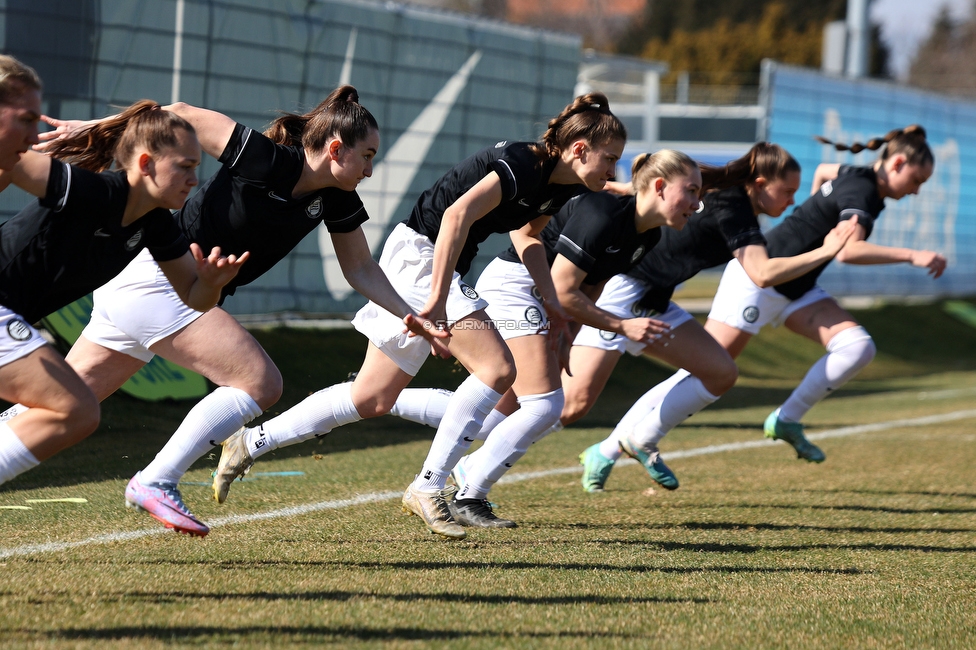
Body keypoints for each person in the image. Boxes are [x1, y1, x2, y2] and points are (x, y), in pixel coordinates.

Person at [15, 85, 447, 537]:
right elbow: (179, 113)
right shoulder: (264, 158)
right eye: (368, 156)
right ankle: (156, 481)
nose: (371, 171)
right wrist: (101, 130)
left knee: (54, 405)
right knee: (259, 382)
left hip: (153, 290)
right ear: (336, 149)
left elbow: (360, 268)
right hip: (159, 283)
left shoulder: (335, 196)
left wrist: (409, 315)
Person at [213, 92, 628, 540]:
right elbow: (454, 217)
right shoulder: (525, 163)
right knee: (497, 369)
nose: (613, 172)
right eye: (610, 159)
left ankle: (251, 441)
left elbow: (527, 237)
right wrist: (434, 298)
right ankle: (429, 487)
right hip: (421, 258)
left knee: (371, 398)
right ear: (579, 149)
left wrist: (552, 302)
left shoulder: (561, 184)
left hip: (425, 262)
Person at [596, 126, 945, 491]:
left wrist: (809, 218)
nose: (916, 190)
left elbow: (826, 171)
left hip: (798, 285)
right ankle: (610, 448)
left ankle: (787, 419)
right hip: (759, 279)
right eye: (917, 179)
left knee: (858, 346)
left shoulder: (855, 174)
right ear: (899, 162)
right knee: (701, 372)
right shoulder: (864, 192)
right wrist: (913, 255)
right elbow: (848, 249)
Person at [440, 149, 702, 528]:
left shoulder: (648, 235)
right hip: (515, 286)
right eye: (691, 191)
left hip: (540, 298)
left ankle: (378, 400)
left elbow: (588, 290)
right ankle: (470, 490)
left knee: (495, 416)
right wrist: (623, 326)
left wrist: (566, 336)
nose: (697, 203)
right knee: (546, 405)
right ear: (659, 187)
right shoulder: (605, 214)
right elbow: (563, 292)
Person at [0, 95, 246, 496]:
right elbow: (13, 161)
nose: (194, 180)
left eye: (195, 169)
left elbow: (194, 298)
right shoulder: (90, 191)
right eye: (184, 166)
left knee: (76, 410)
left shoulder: (156, 225)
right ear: (146, 163)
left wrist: (213, 282)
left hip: (9, 318)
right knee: (75, 408)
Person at [576, 143, 855, 491]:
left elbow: (638, 189)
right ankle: (499, 436)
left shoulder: (723, 193)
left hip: (655, 298)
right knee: (571, 404)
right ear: (759, 182)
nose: (792, 201)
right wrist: (827, 249)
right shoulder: (732, 204)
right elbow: (762, 273)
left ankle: (628, 444)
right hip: (623, 290)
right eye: (785, 191)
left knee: (717, 371)